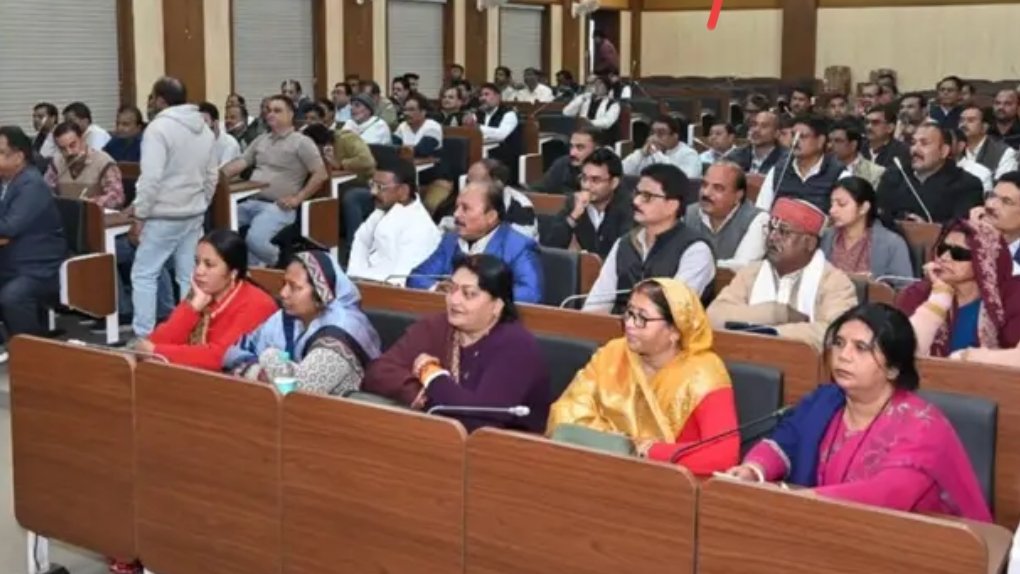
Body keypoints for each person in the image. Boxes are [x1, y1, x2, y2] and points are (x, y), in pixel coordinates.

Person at [727, 303, 992, 521]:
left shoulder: (922, 426)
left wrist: (806, 502)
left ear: (893, 369)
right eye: (839, 343)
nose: (843, 355)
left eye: (861, 348)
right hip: (827, 528)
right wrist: (754, 469)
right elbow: (785, 441)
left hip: (919, 545)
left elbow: (888, 494)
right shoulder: (825, 400)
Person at [549, 278, 738, 473]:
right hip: (595, 468)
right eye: (629, 313)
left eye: (642, 318)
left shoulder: (703, 374)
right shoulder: (614, 353)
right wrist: (620, 447)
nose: (630, 324)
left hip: (668, 483)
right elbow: (565, 413)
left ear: (675, 331)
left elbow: (722, 455)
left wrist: (649, 452)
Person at [362, 254, 551, 432]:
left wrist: (432, 376)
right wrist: (419, 393)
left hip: (506, 450)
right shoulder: (436, 326)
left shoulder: (517, 347)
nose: (454, 300)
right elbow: (376, 373)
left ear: (497, 306)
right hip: (437, 438)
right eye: (451, 289)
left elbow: (481, 422)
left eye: (468, 294)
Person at [129, 77, 218, 338]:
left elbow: (150, 178)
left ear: (160, 100)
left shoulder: (158, 129)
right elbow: (212, 175)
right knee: (189, 276)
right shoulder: (204, 128)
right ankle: (189, 333)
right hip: (194, 212)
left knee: (144, 274)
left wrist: (140, 214)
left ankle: (144, 336)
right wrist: (202, 203)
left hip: (163, 214)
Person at [708, 197, 858, 350]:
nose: (772, 237)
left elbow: (836, 333)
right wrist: (777, 313)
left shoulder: (835, 282)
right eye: (771, 228)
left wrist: (770, 333)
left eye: (784, 231)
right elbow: (714, 317)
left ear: (809, 243)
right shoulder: (750, 273)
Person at [224, 250, 382, 395]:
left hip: (336, 413)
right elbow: (233, 353)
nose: (283, 293)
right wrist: (259, 372)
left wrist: (269, 356)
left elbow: (299, 393)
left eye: (294, 287)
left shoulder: (339, 333)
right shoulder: (285, 318)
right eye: (284, 284)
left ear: (321, 294)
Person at [130, 230, 277, 371]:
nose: (199, 271)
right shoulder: (201, 293)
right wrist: (192, 308)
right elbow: (156, 341)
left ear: (233, 273)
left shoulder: (256, 303)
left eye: (209, 265)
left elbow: (221, 357)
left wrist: (157, 351)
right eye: (197, 262)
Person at [584, 164, 715, 313]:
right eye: (637, 193)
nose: (636, 201)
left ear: (672, 206)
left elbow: (676, 311)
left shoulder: (695, 250)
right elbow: (596, 305)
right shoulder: (624, 243)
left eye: (647, 196)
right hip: (618, 325)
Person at [220, 95, 329, 267]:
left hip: (279, 206)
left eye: (277, 111)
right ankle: (250, 270)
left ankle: (279, 264)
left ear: (291, 114)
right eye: (269, 110)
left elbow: (321, 174)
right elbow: (240, 163)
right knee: (220, 227)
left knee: (255, 240)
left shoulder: (302, 142)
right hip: (251, 201)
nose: (271, 114)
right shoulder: (261, 139)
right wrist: (217, 176)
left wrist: (297, 199)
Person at [896, 219, 1020, 358]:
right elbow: (903, 353)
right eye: (942, 249)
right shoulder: (917, 294)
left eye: (958, 253)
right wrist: (939, 296)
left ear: (984, 260)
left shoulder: (1011, 297)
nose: (944, 257)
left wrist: (968, 358)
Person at [409, 179, 543, 304]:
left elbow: (531, 293)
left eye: (465, 208)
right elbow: (416, 277)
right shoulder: (450, 240)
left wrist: (479, 294)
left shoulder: (518, 246)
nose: (456, 214)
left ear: (491, 217)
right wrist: (436, 287)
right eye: (457, 207)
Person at [0, 126, 66, 361]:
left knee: (12, 297)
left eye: (0, 152)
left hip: (37, 264)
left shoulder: (31, 185)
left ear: (18, 157)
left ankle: (34, 352)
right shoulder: (5, 181)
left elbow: (8, 227)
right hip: (11, 258)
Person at [347, 157, 441, 285]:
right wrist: (355, 275)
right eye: (372, 184)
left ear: (403, 191)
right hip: (364, 279)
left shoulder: (420, 228)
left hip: (384, 290)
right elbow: (361, 239)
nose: (373, 192)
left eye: (380, 187)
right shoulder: (383, 209)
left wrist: (360, 282)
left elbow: (399, 281)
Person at [876, 122, 984, 224]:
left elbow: (963, 226)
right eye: (913, 143)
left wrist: (929, 229)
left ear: (944, 151)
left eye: (924, 143)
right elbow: (879, 213)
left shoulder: (966, 184)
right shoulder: (894, 175)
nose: (915, 149)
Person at [545, 148, 633, 259]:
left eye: (595, 180)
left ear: (614, 183)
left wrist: (588, 258)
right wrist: (573, 217)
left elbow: (624, 255)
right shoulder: (574, 203)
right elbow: (550, 248)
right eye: (584, 178)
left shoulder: (629, 208)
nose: (586, 186)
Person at [822, 177, 913, 279]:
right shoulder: (826, 237)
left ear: (864, 208)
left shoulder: (892, 244)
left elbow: (904, 285)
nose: (832, 210)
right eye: (832, 204)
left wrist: (871, 283)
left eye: (841, 204)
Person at [684, 161, 768, 269]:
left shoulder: (757, 219)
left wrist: (693, 264)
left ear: (738, 196)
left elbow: (742, 267)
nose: (706, 193)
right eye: (704, 185)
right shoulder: (688, 213)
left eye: (718, 188)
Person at [755, 115, 848, 212]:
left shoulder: (839, 175)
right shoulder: (778, 170)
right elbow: (761, 210)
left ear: (820, 141)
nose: (795, 141)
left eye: (803, 136)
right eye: (793, 135)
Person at [439, 159, 537, 240]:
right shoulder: (466, 199)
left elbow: (521, 241)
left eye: (478, 183)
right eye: (468, 182)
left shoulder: (521, 206)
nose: (470, 187)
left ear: (497, 183)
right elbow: (447, 225)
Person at [44, 121, 124, 209]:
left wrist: (90, 203)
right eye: (62, 149)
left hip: (95, 214)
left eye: (72, 145)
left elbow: (117, 197)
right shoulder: (56, 162)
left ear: (82, 139)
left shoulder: (104, 162)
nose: (69, 152)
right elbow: (45, 190)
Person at [622, 115, 701, 180]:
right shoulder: (646, 153)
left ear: (675, 136)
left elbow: (686, 180)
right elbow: (622, 171)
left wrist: (657, 153)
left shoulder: (689, 154)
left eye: (661, 133)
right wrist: (641, 153)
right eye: (652, 133)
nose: (654, 138)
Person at [531, 125, 598, 195]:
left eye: (580, 147)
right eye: (571, 146)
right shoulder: (563, 164)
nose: (572, 153)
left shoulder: (604, 170)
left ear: (597, 149)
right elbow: (537, 189)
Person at [961, 104, 1018, 180]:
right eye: (961, 120)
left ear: (985, 127)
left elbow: (1004, 184)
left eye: (971, 120)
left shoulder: (1004, 152)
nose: (963, 125)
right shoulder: (954, 148)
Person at [725, 110, 787, 175]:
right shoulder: (735, 156)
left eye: (764, 126)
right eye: (754, 125)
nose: (756, 130)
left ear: (776, 133)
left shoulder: (786, 160)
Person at [828, 121, 885, 189]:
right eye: (830, 141)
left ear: (853, 145)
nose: (830, 146)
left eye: (838, 141)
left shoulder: (875, 173)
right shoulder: (823, 169)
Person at [198, 102, 241, 167]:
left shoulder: (230, 144)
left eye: (205, 121)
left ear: (215, 123)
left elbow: (222, 170)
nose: (201, 125)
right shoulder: (198, 141)